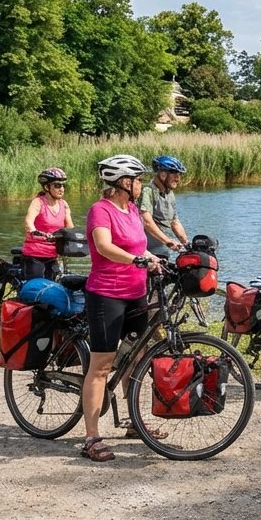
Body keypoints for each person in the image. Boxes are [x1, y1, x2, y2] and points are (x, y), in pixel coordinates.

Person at [80, 154, 163, 462]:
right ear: (122, 183)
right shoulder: (99, 210)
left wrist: (153, 260)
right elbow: (103, 246)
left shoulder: (131, 210)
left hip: (136, 293)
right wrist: (135, 259)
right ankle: (91, 436)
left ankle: (133, 422)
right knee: (102, 364)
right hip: (107, 295)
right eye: (137, 180)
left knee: (135, 358)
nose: (141, 185)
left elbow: (139, 246)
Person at [20, 167, 74, 280]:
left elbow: (70, 227)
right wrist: (33, 230)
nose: (62, 189)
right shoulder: (38, 202)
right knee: (35, 287)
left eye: (63, 185)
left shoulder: (64, 204)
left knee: (54, 287)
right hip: (35, 253)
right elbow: (28, 221)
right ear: (46, 187)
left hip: (53, 254)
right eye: (57, 185)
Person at [139, 156, 188, 258]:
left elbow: (174, 222)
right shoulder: (148, 191)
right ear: (163, 174)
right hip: (147, 254)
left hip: (163, 252)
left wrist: (187, 244)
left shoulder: (169, 194)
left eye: (179, 175)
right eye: (175, 174)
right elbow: (146, 221)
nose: (178, 179)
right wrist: (168, 241)